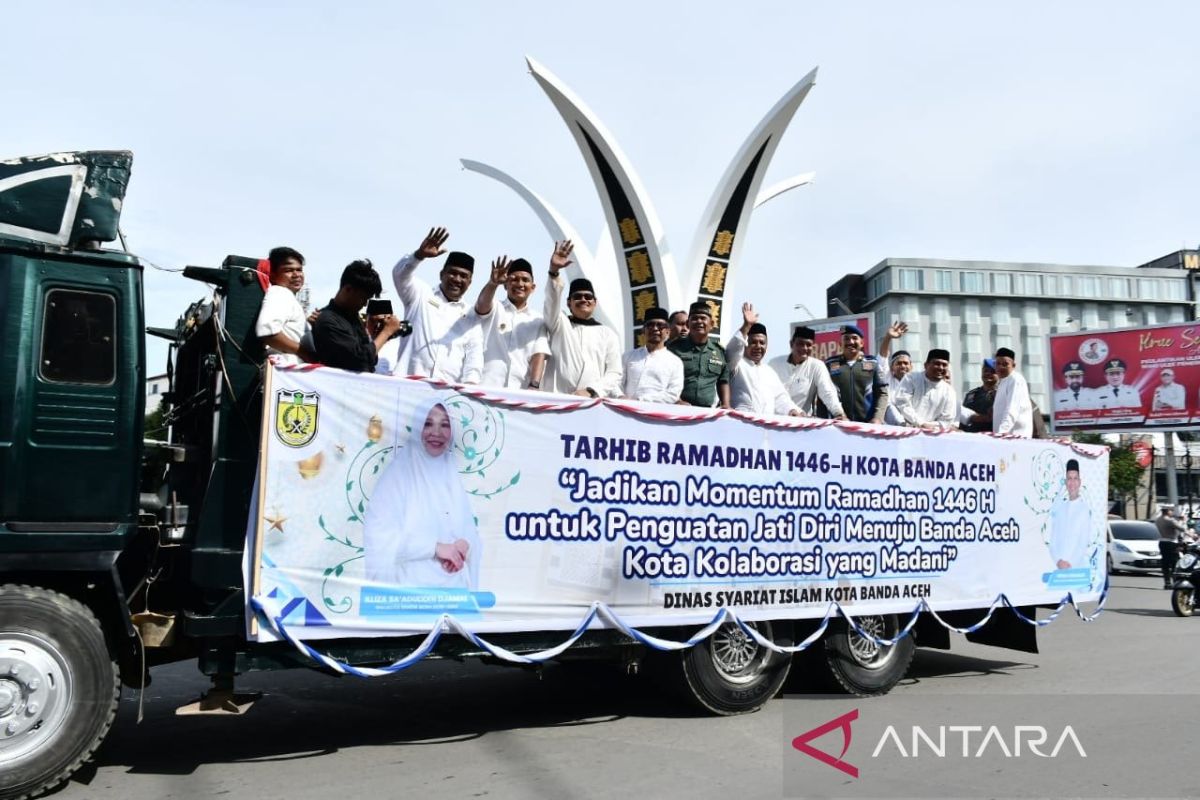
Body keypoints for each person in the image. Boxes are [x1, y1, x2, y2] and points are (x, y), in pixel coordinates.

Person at [362, 398, 481, 589]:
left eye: (445, 425)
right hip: (408, 596)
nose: (436, 433)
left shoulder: (451, 474)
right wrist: (435, 549)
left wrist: (465, 546)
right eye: (428, 424)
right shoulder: (398, 476)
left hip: (454, 596)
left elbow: (469, 530)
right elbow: (379, 537)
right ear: (417, 428)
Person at [389, 226, 483, 383]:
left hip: (446, 396)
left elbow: (474, 357)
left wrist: (470, 388)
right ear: (442, 274)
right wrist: (418, 256)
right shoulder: (420, 293)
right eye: (452, 273)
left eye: (463, 276)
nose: (457, 279)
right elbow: (399, 274)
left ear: (470, 282)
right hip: (407, 385)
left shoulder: (472, 315)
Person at [533, 240, 622, 397]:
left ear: (595, 303)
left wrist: (591, 390)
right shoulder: (559, 323)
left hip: (591, 402)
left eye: (588, 297)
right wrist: (553, 271)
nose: (583, 299)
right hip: (556, 398)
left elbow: (614, 372)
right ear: (569, 303)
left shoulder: (607, 333)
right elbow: (551, 301)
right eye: (577, 296)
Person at [312, 260, 404, 372]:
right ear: (348, 289)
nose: (365, 304)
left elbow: (371, 359)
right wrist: (386, 332)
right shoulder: (327, 320)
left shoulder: (353, 318)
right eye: (363, 298)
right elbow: (361, 359)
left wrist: (376, 336)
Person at [473, 255, 550, 389]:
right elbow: (481, 306)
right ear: (505, 285)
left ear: (533, 287)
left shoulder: (537, 320)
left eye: (525, 280)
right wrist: (492, 283)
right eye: (514, 279)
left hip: (518, 392)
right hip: (485, 387)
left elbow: (539, 354)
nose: (520, 284)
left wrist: (534, 385)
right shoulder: (495, 307)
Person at [725, 303, 803, 417]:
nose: (758, 346)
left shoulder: (769, 372)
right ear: (745, 343)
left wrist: (792, 410)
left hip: (765, 428)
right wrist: (746, 326)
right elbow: (732, 350)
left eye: (762, 343)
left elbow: (780, 398)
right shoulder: (736, 364)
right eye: (753, 342)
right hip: (740, 424)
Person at [768, 325, 845, 418]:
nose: (804, 348)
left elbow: (827, 392)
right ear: (791, 344)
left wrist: (838, 413)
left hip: (801, 422)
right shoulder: (774, 363)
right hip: (773, 421)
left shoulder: (817, 366)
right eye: (800, 344)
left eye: (808, 345)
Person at [255, 246, 313, 365]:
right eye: (288, 270)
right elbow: (268, 331)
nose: (296, 275)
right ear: (273, 275)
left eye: (299, 269)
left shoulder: (288, 297)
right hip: (284, 375)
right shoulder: (280, 293)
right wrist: (304, 353)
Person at [669, 301, 732, 408]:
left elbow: (723, 381)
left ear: (711, 324)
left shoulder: (719, 351)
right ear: (688, 324)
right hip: (678, 409)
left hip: (705, 412)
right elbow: (666, 377)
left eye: (703, 318)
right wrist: (677, 400)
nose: (699, 321)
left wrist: (725, 404)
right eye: (694, 318)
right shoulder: (674, 348)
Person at [822, 325, 888, 423]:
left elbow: (882, 393)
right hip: (837, 424)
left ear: (862, 343)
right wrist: (823, 420)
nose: (851, 342)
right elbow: (822, 393)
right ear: (840, 343)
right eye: (846, 339)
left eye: (854, 338)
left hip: (868, 425)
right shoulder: (829, 364)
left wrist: (878, 418)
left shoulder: (872, 363)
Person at [622, 307, 684, 403]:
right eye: (650, 325)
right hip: (625, 411)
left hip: (656, 414)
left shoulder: (675, 362)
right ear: (643, 330)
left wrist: (641, 401)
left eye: (660, 325)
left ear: (668, 331)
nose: (655, 328)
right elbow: (617, 383)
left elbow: (673, 394)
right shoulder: (628, 356)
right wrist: (620, 397)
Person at [891, 348, 958, 430]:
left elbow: (947, 419)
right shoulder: (911, 379)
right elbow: (902, 404)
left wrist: (928, 426)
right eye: (937, 363)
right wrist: (920, 423)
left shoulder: (949, 391)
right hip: (905, 429)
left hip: (933, 434)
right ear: (926, 365)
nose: (941, 368)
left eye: (944, 365)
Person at [1048, 459, 1094, 571]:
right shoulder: (1060, 508)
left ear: (1079, 482)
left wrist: (1070, 563)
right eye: (1069, 478)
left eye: (1075, 478)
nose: (1072, 483)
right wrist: (1058, 561)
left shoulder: (1084, 510)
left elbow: (1083, 543)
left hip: (1075, 570)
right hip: (1057, 567)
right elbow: (1052, 539)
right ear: (1065, 482)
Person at [992, 347, 1033, 436]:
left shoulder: (1015, 380)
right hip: (1006, 436)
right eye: (998, 364)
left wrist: (1001, 433)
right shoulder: (1003, 381)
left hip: (1014, 436)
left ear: (1013, 365)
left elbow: (1012, 409)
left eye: (1005, 364)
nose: (1000, 367)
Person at [959, 358, 999, 432]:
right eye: (985, 371)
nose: (988, 374)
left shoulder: (1002, 394)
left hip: (992, 436)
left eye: (992, 371)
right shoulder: (971, 394)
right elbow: (963, 418)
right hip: (972, 436)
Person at [1156, 505, 1186, 589]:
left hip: (1162, 542)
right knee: (1174, 563)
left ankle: (1167, 582)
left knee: (1165, 563)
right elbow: (1181, 529)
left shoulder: (1158, 520)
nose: (1172, 512)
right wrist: (1182, 521)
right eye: (1171, 510)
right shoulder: (1170, 520)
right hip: (1171, 543)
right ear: (1168, 511)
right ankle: (1175, 582)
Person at [883, 351, 913, 425]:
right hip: (890, 424)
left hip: (913, 423)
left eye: (906, 363)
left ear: (911, 367)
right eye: (899, 363)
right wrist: (888, 339)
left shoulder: (917, 382)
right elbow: (882, 359)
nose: (903, 366)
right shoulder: (887, 378)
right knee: (890, 406)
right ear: (892, 367)